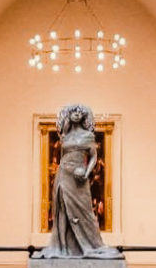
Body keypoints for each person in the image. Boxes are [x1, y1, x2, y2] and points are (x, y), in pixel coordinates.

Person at [37, 103, 120, 259]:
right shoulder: (65, 136)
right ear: (69, 115)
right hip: (63, 174)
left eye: (80, 112)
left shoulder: (88, 136)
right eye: (73, 112)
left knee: (84, 211)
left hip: (79, 178)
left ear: (84, 116)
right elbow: (63, 157)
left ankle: (92, 245)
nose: (76, 114)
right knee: (62, 210)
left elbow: (94, 157)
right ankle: (62, 247)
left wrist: (86, 172)